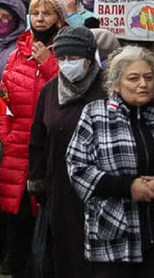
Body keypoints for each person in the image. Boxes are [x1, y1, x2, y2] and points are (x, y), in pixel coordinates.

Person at [66, 46, 154, 277]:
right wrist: (129, 187)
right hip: (114, 235)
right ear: (116, 84)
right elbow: (77, 169)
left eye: (148, 77)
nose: (143, 84)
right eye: (133, 78)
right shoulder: (96, 114)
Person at [28, 26, 107, 278]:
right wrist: (38, 184)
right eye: (61, 59)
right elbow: (38, 141)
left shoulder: (107, 91)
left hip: (101, 189)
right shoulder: (50, 91)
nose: (66, 64)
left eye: (73, 59)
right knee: (65, 254)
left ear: (88, 58)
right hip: (60, 189)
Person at [0, 0, 64, 276]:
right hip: (17, 143)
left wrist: (48, 62)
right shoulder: (16, 54)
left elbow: (70, 89)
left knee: (49, 218)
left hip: (50, 146)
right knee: (18, 214)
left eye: (47, 13)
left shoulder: (66, 49)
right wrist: (4, 133)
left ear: (59, 19)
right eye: (36, 13)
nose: (40, 19)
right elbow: (3, 98)